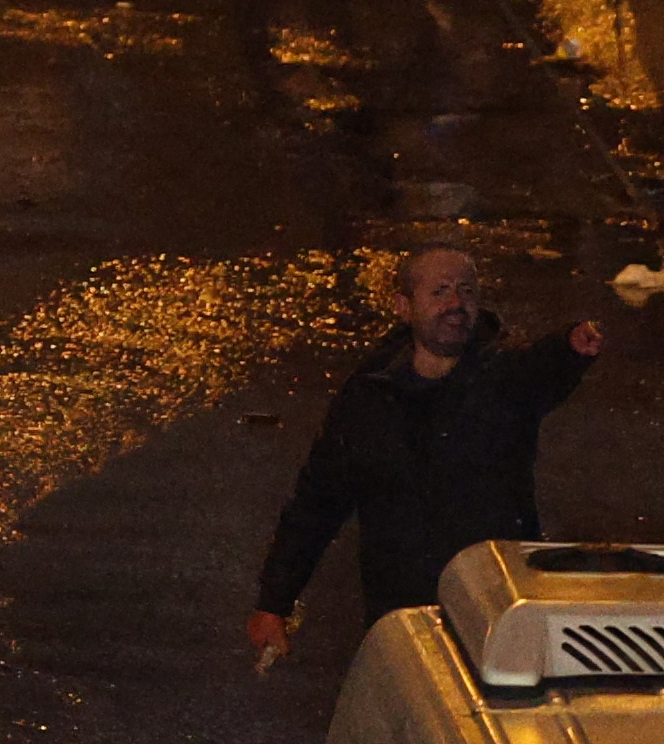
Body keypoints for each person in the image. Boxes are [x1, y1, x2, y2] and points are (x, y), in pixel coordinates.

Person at [246, 246, 603, 666]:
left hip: (495, 611)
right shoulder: (370, 395)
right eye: (439, 292)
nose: (455, 304)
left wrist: (570, 348)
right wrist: (275, 602)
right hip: (403, 620)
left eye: (465, 291)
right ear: (404, 306)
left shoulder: (504, 380)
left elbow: (541, 369)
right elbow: (317, 501)